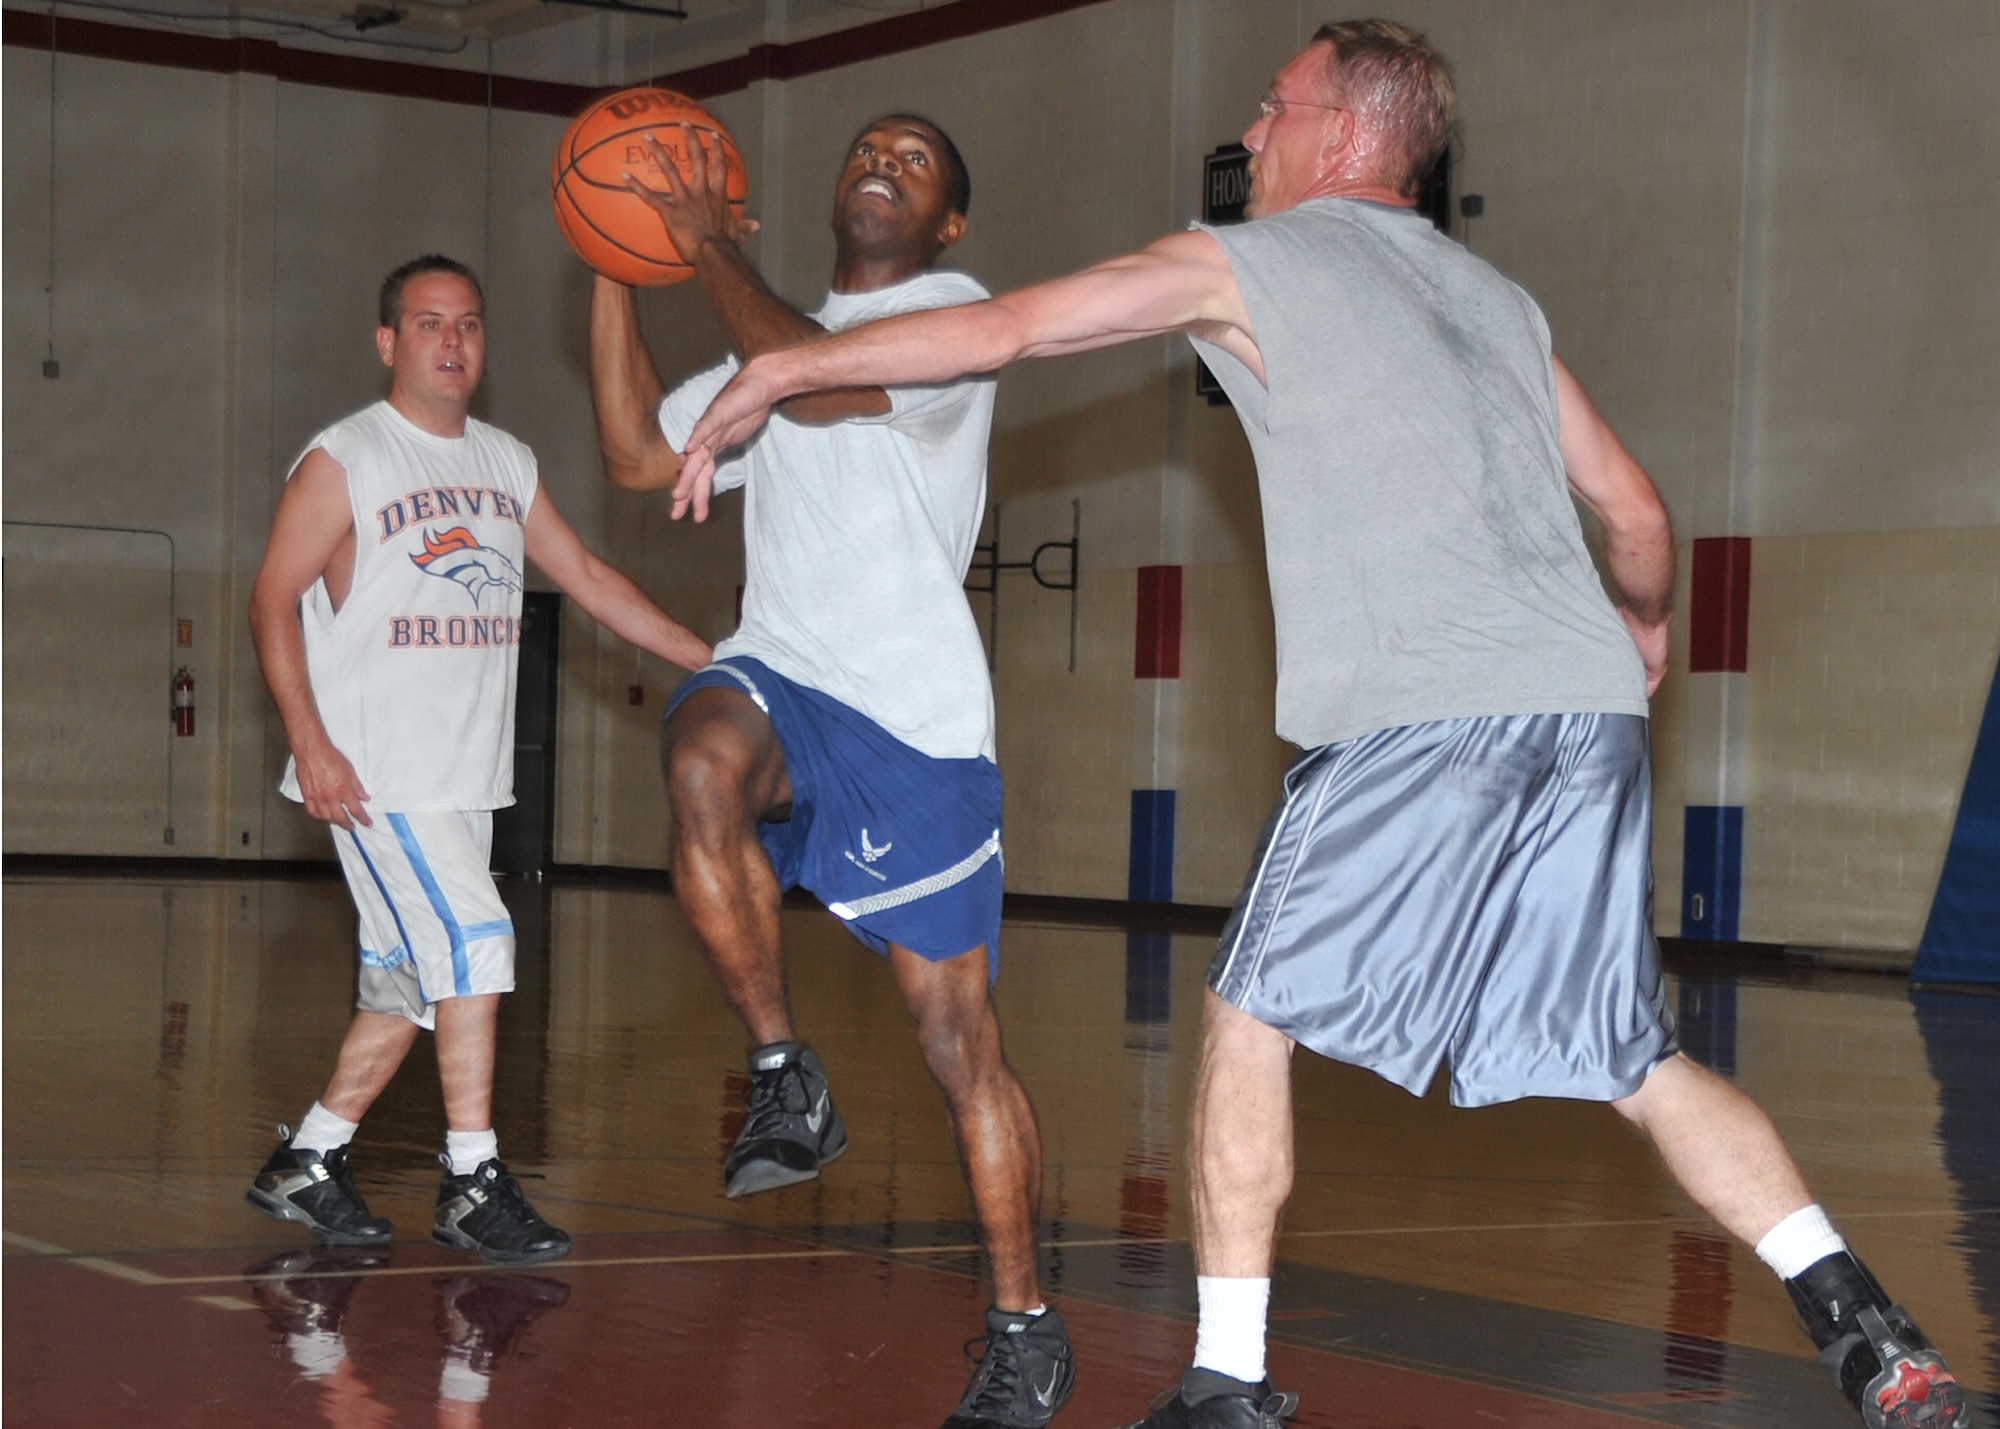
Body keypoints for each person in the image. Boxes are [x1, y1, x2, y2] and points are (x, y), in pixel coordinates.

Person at [676, 23, 1970, 1429]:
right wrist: (1642, 631)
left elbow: (1013, 329)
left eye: (1276, 105)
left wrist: (781, 372)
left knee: (1246, 1018)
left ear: (1347, 128)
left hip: (1425, 710)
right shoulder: (1499, 301)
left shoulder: (1248, 258)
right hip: (1584, 706)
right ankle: (1875, 1335)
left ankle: (1228, 1384)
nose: (1256, 127)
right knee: (1632, 1058)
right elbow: (1641, 519)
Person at [588, 118, 1074, 1429]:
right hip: (785, 673)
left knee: (958, 1042)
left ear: (949, 223)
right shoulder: (771, 340)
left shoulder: (952, 318)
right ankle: (784, 1069)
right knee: (700, 766)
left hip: (915, 722)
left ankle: (1026, 1325)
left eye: (916, 160)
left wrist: (699, 251)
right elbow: (639, 452)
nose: (882, 159)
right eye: (867, 145)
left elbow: (804, 374)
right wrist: (614, 257)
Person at [247, 255, 712, 1268]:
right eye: (426, 323)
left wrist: (710, 659)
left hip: (465, 776)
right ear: (388, 343)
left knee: (413, 982)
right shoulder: (346, 458)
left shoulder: (505, 459)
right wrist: (310, 743)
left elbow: (586, 576)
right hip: (378, 774)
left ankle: (309, 1160)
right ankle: (472, 1177)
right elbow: (271, 597)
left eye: (468, 322)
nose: (452, 341)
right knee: (478, 939)